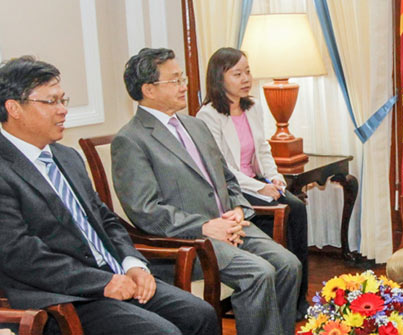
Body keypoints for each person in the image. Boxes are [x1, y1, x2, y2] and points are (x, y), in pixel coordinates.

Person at [0, 56, 219, 335]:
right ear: (14, 108)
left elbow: (105, 218)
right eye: (51, 102)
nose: (63, 110)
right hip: (65, 296)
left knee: (200, 314)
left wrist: (132, 263)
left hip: (114, 273)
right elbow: (20, 256)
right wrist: (101, 282)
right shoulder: (4, 169)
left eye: (63, 100)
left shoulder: (66, 157)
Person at [111, 47, 301, 335]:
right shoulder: (131, 140)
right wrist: (206, 226)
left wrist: (238, 209)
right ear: (149, 89)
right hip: (190, 241)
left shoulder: (194, 125)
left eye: (182, 78)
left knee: (288, 264)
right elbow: (146, 211)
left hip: (230, 226)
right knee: (258, 273)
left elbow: (228, 178)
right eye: (174, 80)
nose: (184, 85)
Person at [196, 47, 309, 317]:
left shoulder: (253, 106)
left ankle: (298, 298)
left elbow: (263, 148)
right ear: (218, 78)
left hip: (257, 179)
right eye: (237, 73)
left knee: (298, 208)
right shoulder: (208, 116)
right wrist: (261, 187)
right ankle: (278, 297)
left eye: (247, 71)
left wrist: (275, 178)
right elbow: (224, 169)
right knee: (283, 211)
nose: (246, 78)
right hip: (235, 187)